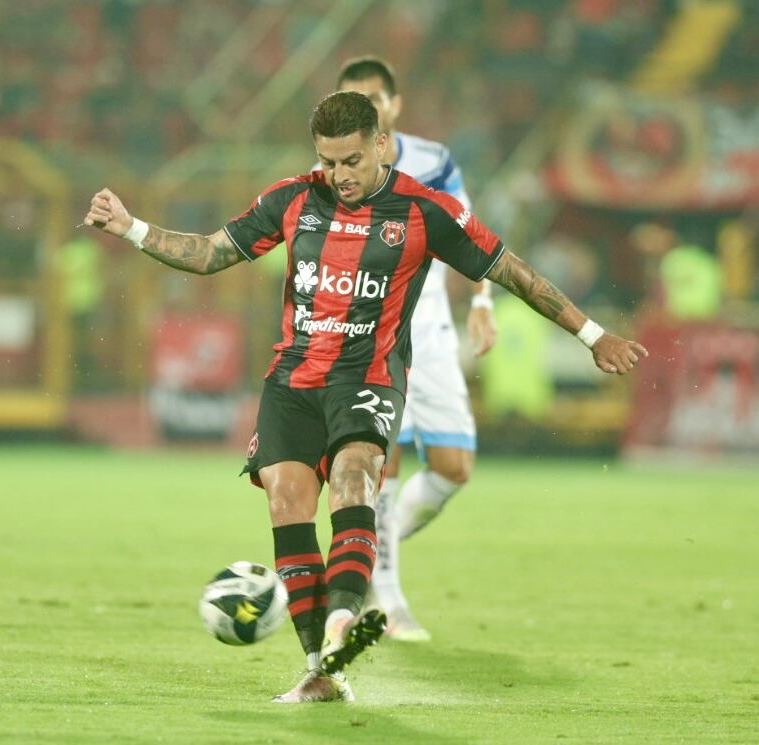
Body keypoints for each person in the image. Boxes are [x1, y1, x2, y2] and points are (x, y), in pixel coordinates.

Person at [83, 91, 646, 704]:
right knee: (286, 501)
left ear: (381, 144)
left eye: (350, 160)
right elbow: (212, 253)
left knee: (355, 478)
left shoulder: (424, 210)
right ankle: (319, 670)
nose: (339, 176)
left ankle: (343, 619)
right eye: (328, 162)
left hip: (367, 379)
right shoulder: (293, 198)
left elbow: (510, 269)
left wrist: (593, 335)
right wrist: (130, 227)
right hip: (292, 384)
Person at [333, 56, 497, 641]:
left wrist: (482, 303)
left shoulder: (434, 160)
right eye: (353, 98)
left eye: (373, 98)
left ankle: (361, 553)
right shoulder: (333, 170)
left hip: (430, 332)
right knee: (387, 463)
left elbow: (469, 233)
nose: (365, 108)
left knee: (454, 469)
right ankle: (389, 598)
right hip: (372, 338)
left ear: (394, 104)